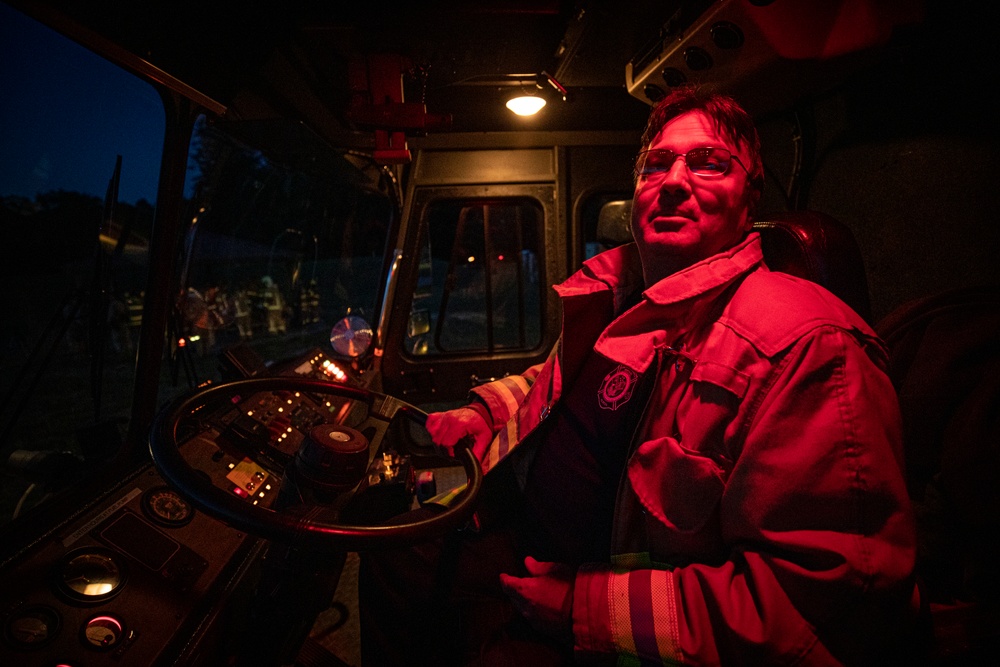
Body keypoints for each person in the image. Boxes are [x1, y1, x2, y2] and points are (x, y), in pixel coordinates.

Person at [359, 85, 919, 665]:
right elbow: (554, 380)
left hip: (602, 602)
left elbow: (817, 603)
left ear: (750, 202)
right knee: (391, 551)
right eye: (657, 164)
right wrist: (489, 410)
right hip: (523, 531)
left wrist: (583, 607)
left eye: (708, 164)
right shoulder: (623, 296)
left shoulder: (809, 345)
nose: (674, 180)